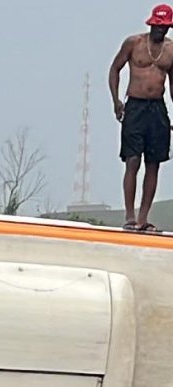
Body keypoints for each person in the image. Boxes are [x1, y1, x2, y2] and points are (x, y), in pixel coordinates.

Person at [109, 4, 173, 232]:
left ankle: (143, 217)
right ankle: (129, 215)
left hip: (157, 108)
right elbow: (115, 69)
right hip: (135, 106)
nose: (160, 30)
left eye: (164, 27)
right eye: (157, 26)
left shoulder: (171, 50)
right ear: (151, 23)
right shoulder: (133, 43)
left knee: (153, 163)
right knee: (132, 160)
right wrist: (116, 101)